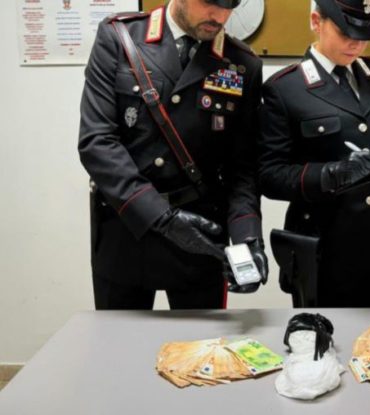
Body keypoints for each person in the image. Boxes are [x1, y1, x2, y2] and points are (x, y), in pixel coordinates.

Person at [78, 0, 268, 310]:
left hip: (201, 234)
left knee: (202, 340)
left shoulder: (242, 63)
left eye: (230, 5)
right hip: (127, 229)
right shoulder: (120, 38)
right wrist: (161, 218)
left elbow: (242, 166)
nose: (219, 16)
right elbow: (97, 142)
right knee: (119, 339)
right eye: (208, 2)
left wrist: (248, 236)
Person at [259, 0, 370, 308]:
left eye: (364, 35)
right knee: (322, 337)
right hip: (323, 248)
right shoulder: (286, 88)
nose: (356, 43)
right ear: (316, 21)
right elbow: (269, 175)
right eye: (345, 33)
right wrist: (331, 174)